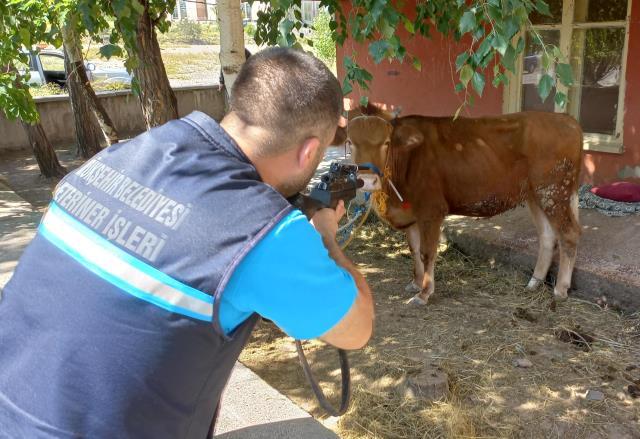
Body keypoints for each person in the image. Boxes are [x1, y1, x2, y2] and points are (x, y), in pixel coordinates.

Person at [0, 48, 374, 438]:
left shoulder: (120, 155)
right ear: (310, 151)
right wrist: (325, 232)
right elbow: (356, 328)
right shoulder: (262, 228)